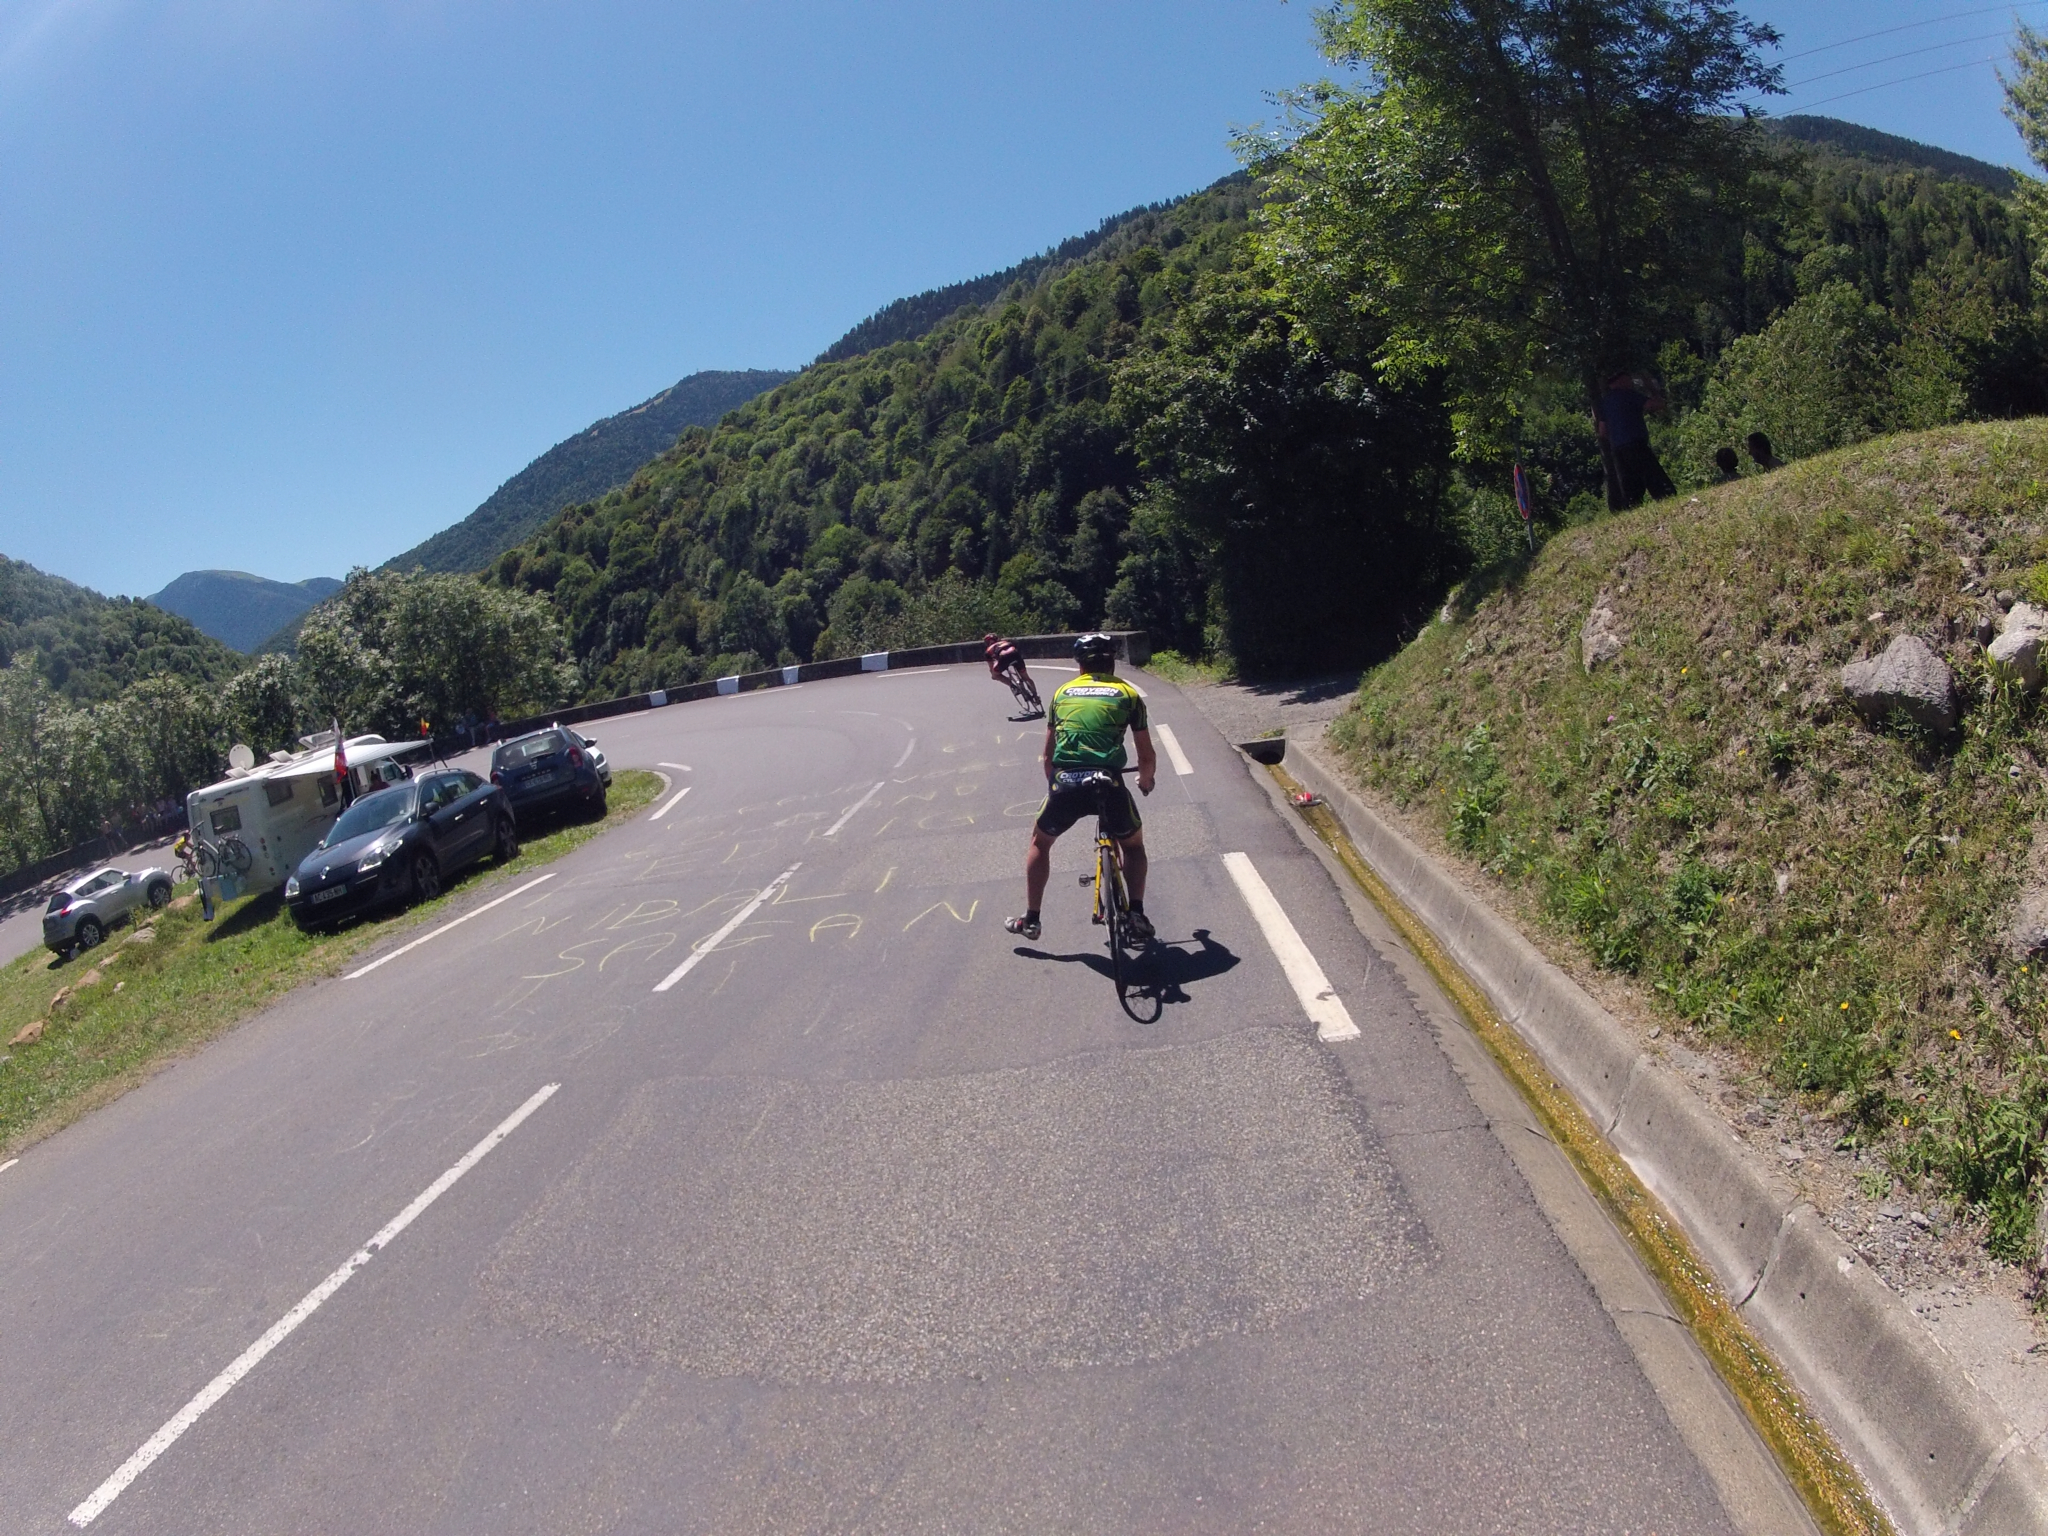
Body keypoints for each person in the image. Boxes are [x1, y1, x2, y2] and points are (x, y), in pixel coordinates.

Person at [1005, 633, 1158, 944]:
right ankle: (1136, 913)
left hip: (1067, 783)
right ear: (1112, 662)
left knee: (1040, 842)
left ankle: (1032, 918)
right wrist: (1145, 780)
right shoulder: (1128, 694)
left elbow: (1048, 756)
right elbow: (1146, 757)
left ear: (1080, 666)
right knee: (1133, 846)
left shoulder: (1062, 693)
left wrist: (1055, 788)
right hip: (1108, 781)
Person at [1594, 369, 1676, 509]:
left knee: (1630, 483)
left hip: (1619, 449)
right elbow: (1654, 405)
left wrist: (1616, 437)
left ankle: (1632, 505)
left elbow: (1602, 431)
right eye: (1628, 379)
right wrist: (1653, 391)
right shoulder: (1628, 395)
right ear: (1621, 381)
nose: (1631, 382)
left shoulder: (1605, 402)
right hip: (1636, 444)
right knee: (1653, 475)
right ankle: (1666, 497)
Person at [983, 633, 1041, 715]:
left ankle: (1013, 686)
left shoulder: (988, 650)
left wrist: (993, 674)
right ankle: (1036, 696)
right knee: (1026, 678)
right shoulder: (1006, 641)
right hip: (1015, 654)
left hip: (1003, 658)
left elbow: (991, 667)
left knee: (995, 675)